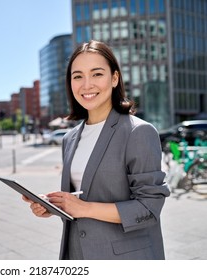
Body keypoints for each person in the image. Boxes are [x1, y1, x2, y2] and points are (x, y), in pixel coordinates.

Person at [23, 40, 170, 260]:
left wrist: (84, 208)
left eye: (97, 74)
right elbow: (83, 195)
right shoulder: (70, 138)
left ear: (114, 78)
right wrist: (54, 207)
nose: (86, 84)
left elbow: (148, 209)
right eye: (78, 76)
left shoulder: (137, 132)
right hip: (77, 254)